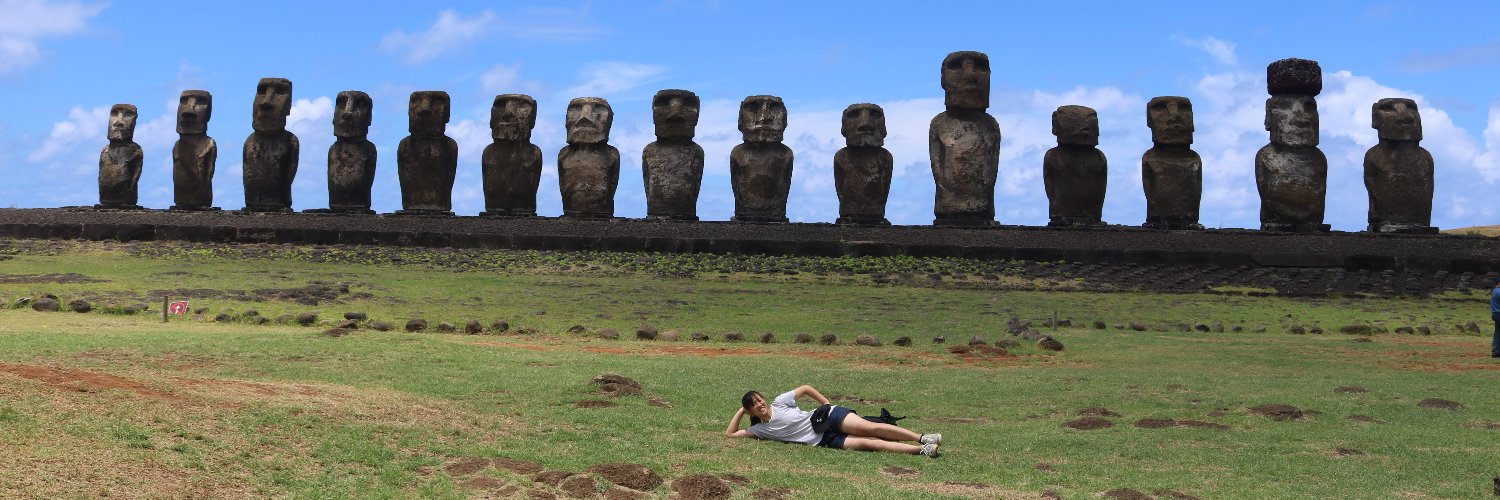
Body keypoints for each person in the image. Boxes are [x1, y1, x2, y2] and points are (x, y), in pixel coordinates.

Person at [724, 384, 942, 457]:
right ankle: (921, 450)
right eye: (754, 405)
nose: (760, 404)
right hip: (823, 439)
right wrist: (740, 412)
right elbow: (730, 435)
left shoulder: (780, 402)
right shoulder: (762, 430)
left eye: (760, 399)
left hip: (828, 417)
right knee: (868, 443)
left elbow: (806, 388)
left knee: (870, 428)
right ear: (751, 411)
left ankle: (922, 437)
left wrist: (826, 404)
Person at [1491, 279, 1499, 358]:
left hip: (1495, 313)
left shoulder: (1494, 291)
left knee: (1497, 332)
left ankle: (1496, 352)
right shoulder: (1499, 291)